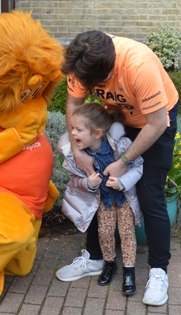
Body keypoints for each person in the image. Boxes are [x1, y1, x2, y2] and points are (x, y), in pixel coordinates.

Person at [56, 30, 179, 307]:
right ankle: (95, 258)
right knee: (96, 183)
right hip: (119, 119)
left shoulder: (138, 65)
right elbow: (75, 104)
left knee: (150, 192)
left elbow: (157, 124)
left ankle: (159, 271)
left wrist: (123, 162)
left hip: (155, 120)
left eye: (91, 84)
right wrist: (78, 151)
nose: (84, 85)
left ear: (106, 72)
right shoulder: (81, 59)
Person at [57, 103, 143, 295]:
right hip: (104, 203)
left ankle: (129, 271)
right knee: (104, 234)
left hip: (124, 200)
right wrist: (89, 183)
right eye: (72, 129)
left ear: (96, 133)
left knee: (127, 234)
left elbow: (138, 167)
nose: (73, 134)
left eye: (78, 130)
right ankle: (109, 264)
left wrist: (121, 183)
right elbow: (75, 180)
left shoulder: (120, 145)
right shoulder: (77, 156)